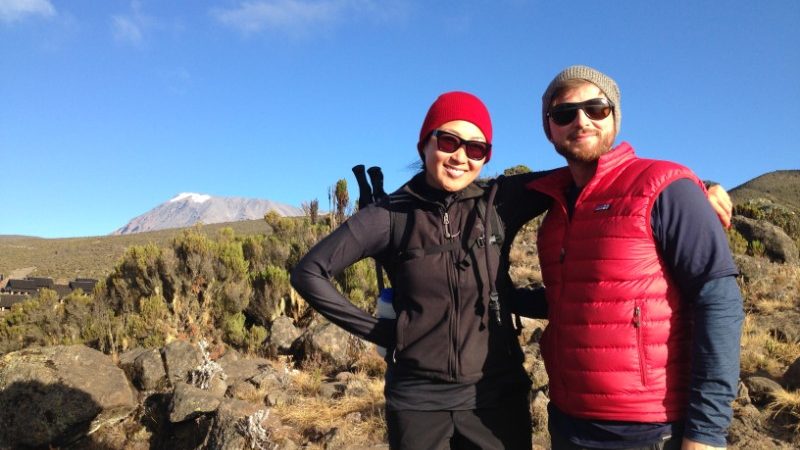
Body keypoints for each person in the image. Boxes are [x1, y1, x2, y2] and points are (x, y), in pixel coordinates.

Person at [290, 90, 733, 450]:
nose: (461, 156)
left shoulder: (500, 199)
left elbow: (597, 170)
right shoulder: (390, 214)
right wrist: (382, 333)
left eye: (476, 148)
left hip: (496, 395)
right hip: (417, 399)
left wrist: (698, 185)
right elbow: (309, 273)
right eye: (448, 142)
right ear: (424, 143)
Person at [526, 65, 744, 450]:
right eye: (564, 113)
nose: (581, 120)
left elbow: (719, 300)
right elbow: (580, 300)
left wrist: (707, 432)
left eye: (596, 108)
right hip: (566, 421)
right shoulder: (554, 213)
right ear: (550, 129)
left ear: (615, 117)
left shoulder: (664, 186)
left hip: (647, 429)